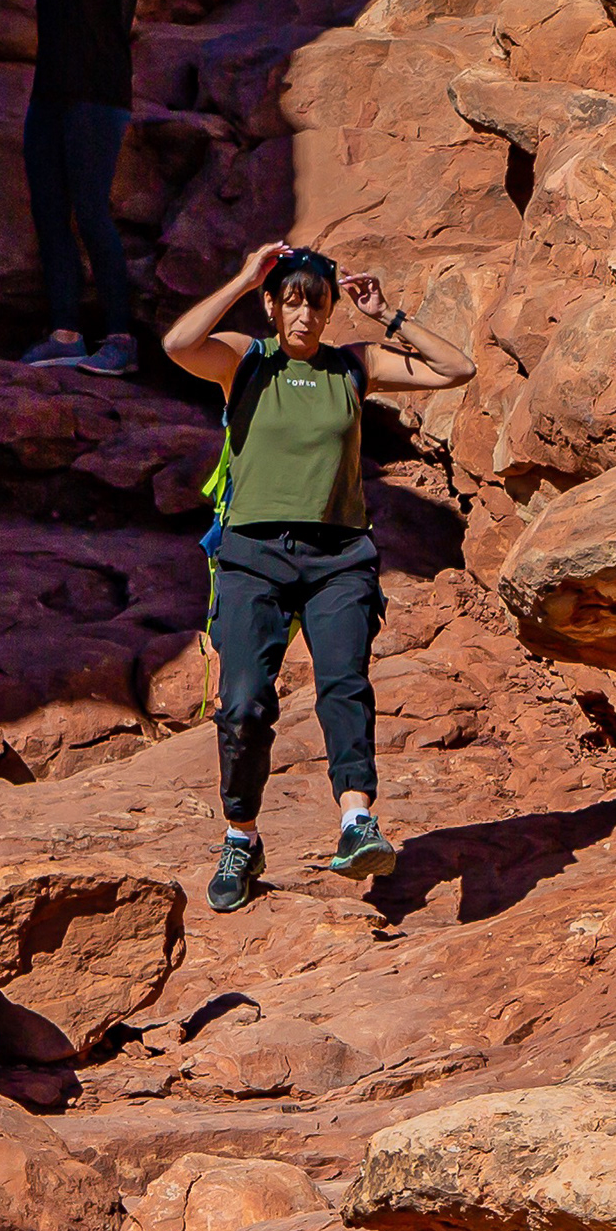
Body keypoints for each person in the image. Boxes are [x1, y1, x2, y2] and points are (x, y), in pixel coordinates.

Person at [159, 240, 478, 911]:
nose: (305, 313)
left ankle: (357, 822)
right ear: (274, 305)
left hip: (339, 557)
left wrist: (387, 315)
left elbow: (457, 367)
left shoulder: (352, 366)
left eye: (318, 301)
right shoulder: (247, 361)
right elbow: (177, 343)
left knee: (345, 684)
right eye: (293, 299)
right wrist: (245, 277)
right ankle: (241, 835)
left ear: (332, 309)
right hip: (252, 554)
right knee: (243, 703)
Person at [16, 0, 152, 373]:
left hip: (96, 89)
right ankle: (66, 332)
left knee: (91, 209)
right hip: (50, 90)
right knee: (49, 210)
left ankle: (120, 340)